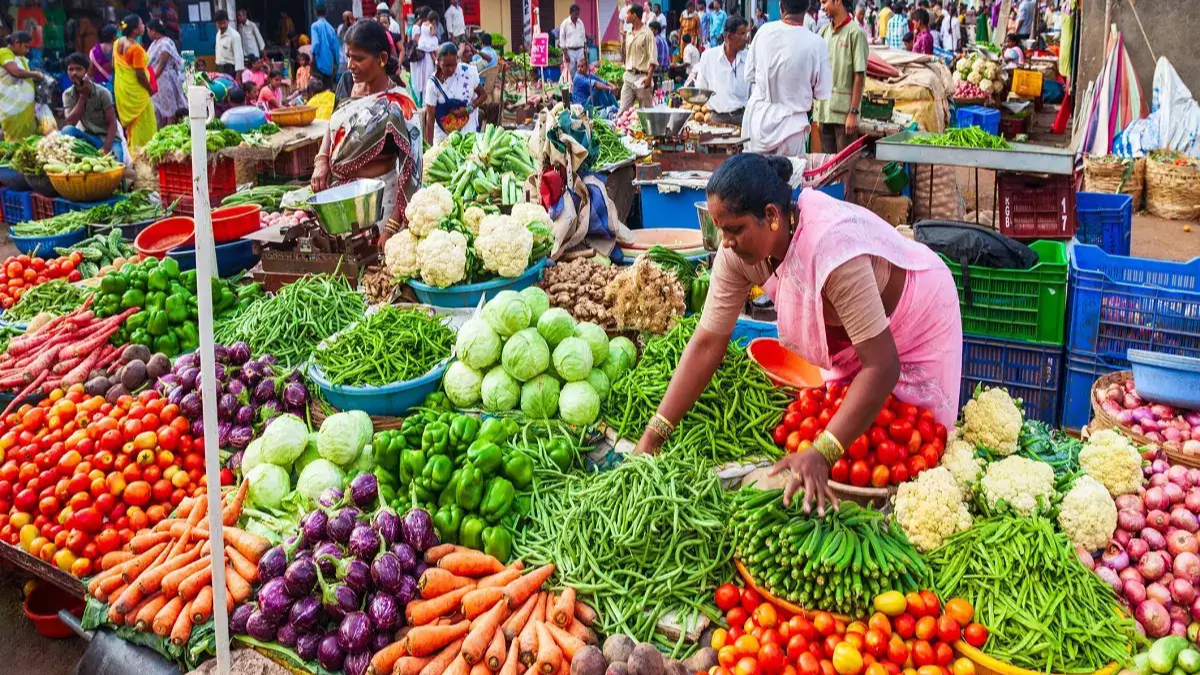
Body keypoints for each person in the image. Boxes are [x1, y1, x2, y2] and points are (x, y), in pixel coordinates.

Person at [633, 153, 962, 513]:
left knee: (918, 452)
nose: (725, 242)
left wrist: (822, 451)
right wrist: (653, 436)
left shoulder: (831, 246)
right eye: (720, 230)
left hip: (917, 317)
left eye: (735, 229)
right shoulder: (737, 255)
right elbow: (708, 342)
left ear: (772, 216)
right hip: (854, 338)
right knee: (858, 436)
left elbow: (882, 366)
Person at [312, 20, 420, 250]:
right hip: (340, 199)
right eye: (349, 56)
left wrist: (392, 225)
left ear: (382, 58)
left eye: (358, 58)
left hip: (380, 202)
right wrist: (321, 161)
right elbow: (333, 123)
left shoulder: (400, 104)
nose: (350, 64)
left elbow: (413, 170)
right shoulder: (348, 82)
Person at [743, 0, 830, 155]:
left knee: (755, 177)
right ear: (807, 8)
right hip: (792, 130)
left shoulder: (763, 32)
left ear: (781, 7)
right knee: (789, 177)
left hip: (758, 125)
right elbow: (822, 92)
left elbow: (750, 74)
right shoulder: (817, 43)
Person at [814, 0, 866, 153]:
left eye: (825, 2)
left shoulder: (856, 33)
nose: (822, 7)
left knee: (845, 168)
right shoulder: (824, 32)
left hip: (844, 115)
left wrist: (853, 112)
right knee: (827, 168)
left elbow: (859, 75)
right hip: (824, 113)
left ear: (838, 1)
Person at [61, 53, 126, 161]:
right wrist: (83, 97)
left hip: (108, 139)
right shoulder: (68, 94)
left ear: (86, 71)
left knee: (115, 163)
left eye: (78, 69)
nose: (74, 73)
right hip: (88, 138)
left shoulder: (102, 93)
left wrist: (106, 148)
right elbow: (70, 120)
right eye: (70, 69)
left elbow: (112, 123)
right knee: (66, 130)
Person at [689, 16, 749, 124]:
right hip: (716, 119)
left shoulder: (749, 58)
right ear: (729, 37)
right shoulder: (708, 57)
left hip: (743, 119)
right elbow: (701, 89)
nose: (746, 38)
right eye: (742, 34)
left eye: (746, 33)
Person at [423, 42, 485, 145]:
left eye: (453, 64)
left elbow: (483, 95)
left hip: (467, 134)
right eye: (446, 65)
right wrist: (429, 148)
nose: (451, 69)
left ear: (457, 59)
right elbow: (430, 118)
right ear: (438, 62)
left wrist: (467, 109)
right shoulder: (433, 84)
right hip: (443, 137)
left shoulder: (467, 72)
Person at [113, 14, 156, 150]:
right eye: (142, 24)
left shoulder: (118, 43)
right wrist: (149, 89)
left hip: (124, 90)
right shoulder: (135, 49)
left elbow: (114, 65)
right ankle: (140, 154)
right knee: (144, 125)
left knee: (133, 125)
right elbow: (139, 74)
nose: (144, 26)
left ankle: (133, 152)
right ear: (135, 30)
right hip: (138, 94)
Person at [0, 32, 44, 141]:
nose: (27, 51)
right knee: (14, 144)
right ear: (16, 43)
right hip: (12, 109)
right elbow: (15, 72)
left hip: (25, 110)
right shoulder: (4, 53)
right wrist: (35, 74)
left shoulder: (20, 58)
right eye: (26, 47)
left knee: (27, 144)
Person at [146, 19, 185, 130]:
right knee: (158, 110)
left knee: (169, 111)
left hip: (165, 80)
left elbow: (161, 66)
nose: (148, 33)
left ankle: (171, 131)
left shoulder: (166, 43)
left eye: (148, 30)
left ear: (153, 31)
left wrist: (150, 82)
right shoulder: (154, 43)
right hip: (156, 80)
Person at [410, 10, 439, 104]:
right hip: (428, 54)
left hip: (423, 50)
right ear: (434, 20)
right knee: (429, 76)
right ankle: (428, 100)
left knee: (423, 78)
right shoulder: (431, 26)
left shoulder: (422, 24)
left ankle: (423, 100)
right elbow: (433, 33)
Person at [311, 4, 341, 90]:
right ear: (326, 13)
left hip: (318, 61)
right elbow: (335, 47)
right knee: (328, 88)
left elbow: (315, 43)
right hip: (329, 61)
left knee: (317, 87)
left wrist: (313, 56)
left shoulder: (315, 26)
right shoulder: (331, 28)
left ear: (316, 13)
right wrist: (336, 62)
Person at [559, 5, 587, 83]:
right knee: (570, 72)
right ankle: (570, 89)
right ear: (570, 13)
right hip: (569, 51)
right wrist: (565, 54)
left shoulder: (580, 23)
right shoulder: (565, 23)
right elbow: (562, 39)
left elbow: (584, 38)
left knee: (581, 71)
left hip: (580, 50)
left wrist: (585, 52)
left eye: (578, 14)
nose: (576, 16)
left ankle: (579, 87)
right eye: (575, 14)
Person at [214, 10, 243, 77]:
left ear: (228, 21)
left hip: (231, 69)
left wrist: (238, 76)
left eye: (224, 22)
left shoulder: (235, 35)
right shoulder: (218, 35)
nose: (222, 25)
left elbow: (239, 56)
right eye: (219, 23)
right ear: (216, 23)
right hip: (220, 68)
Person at [87, 24, 115, 91]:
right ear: (114, 36)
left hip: (99, 85)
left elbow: (91, 69)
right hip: (115, 83)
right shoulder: (117, 49)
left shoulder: (94, 50)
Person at [16, 0, 44, 67]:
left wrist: (40, 43)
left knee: (36, 65)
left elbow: (40, 28)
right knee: (23, 64)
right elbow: (19, 28)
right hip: (24, 44)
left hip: (36, 45)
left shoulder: (38, 11)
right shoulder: (20, 10)